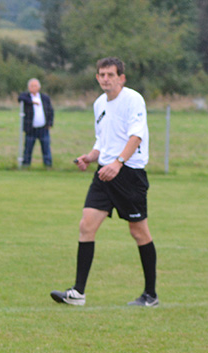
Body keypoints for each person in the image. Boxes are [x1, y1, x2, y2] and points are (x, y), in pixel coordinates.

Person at [51, 57, 158, 307]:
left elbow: (136, 136)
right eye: (101, 74)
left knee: (138, 231)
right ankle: (78, 293)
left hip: (129, 174)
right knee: (86, 225)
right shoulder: (99, 103)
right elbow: (103, 140)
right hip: (104, 173)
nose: (105, 78)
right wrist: (90, 157)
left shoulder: (133, 99)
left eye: (111, 74)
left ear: (122, 77)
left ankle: (150, 295)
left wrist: (118, 163)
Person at [17, 78, 54, 167]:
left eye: (35, 86)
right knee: (28, 149)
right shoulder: (26, 97)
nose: (33, 88)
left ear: (39, 87)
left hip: (43, 128)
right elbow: (20, 98)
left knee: (46, 148)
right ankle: (26, 165)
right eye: (32, 86)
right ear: (29, 87)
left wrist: (49, 123)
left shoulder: (45, 98)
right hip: (31, 129)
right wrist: (32, 102)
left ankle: (48, 165)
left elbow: (50, 111)